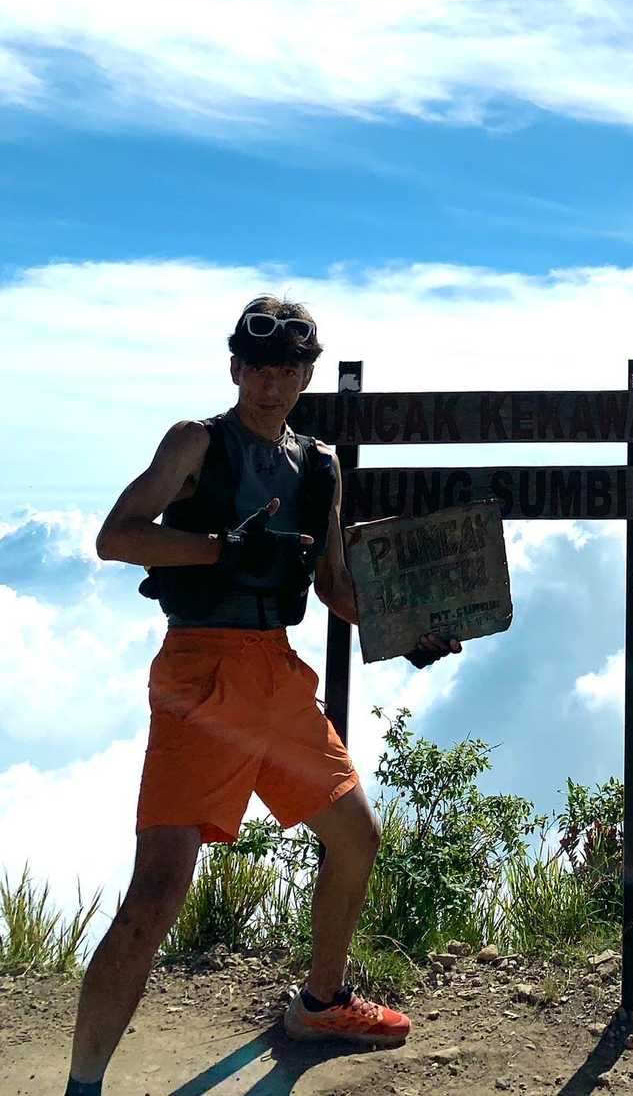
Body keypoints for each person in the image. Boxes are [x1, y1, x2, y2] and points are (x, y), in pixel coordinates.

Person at [63, 295, 461, 1096]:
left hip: (277, 674)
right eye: (257, 367)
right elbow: (116, 535)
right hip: (200, 675)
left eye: (287, 368)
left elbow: (334, 584)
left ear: (306, 375)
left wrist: (403, 629)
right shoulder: (195, 441)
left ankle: (320, 1003)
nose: (271, 382)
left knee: (356, 836)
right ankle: (83, 1084)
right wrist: (218, 550)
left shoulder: (319, 466)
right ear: (235, 368)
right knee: (157, 892)